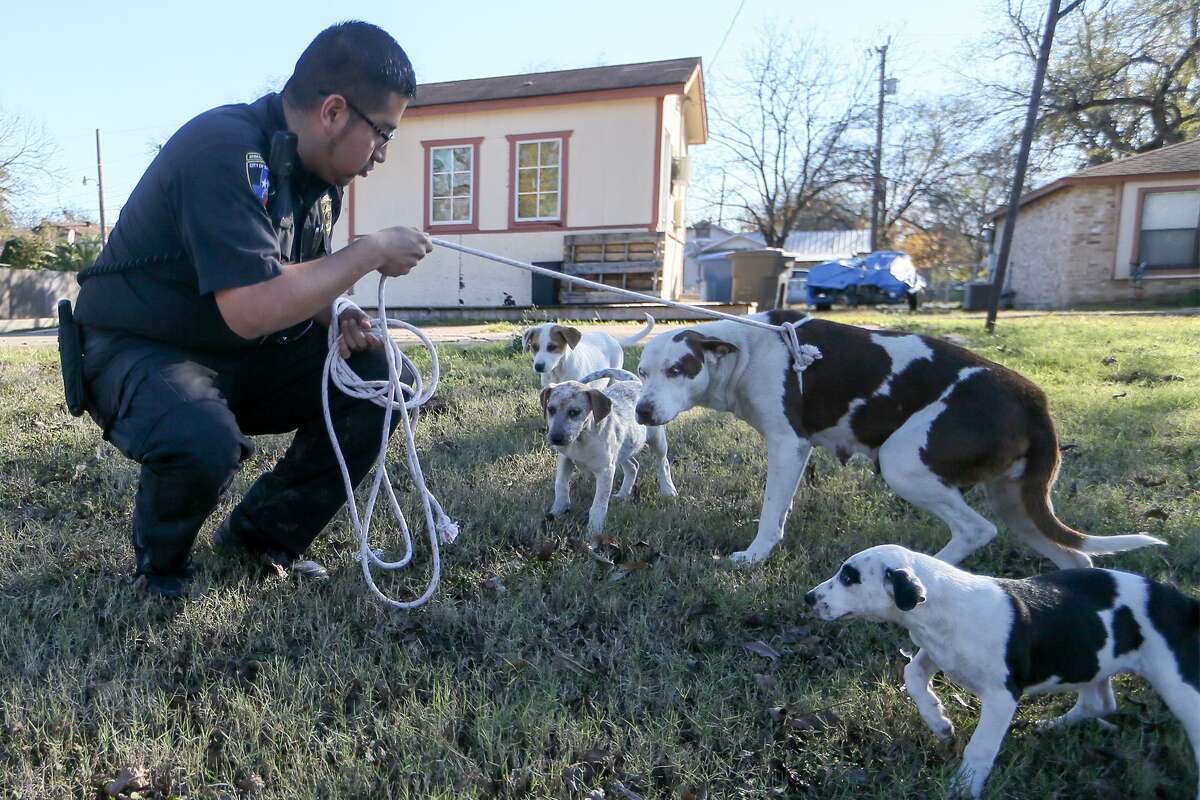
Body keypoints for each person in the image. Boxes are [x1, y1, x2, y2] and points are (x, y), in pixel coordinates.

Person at [71, 21, 432, 598]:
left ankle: (263, 537)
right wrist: (369, 252)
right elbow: (251, 306)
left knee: (382, 379)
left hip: (235, 349)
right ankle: (159, 570)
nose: (382, 155)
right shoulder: (224, 149)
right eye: (382, 133)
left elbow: (297, 274)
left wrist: (336, 310)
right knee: (202, 439)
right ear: (334, 112)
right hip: (136, 346)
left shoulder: (317, 176)